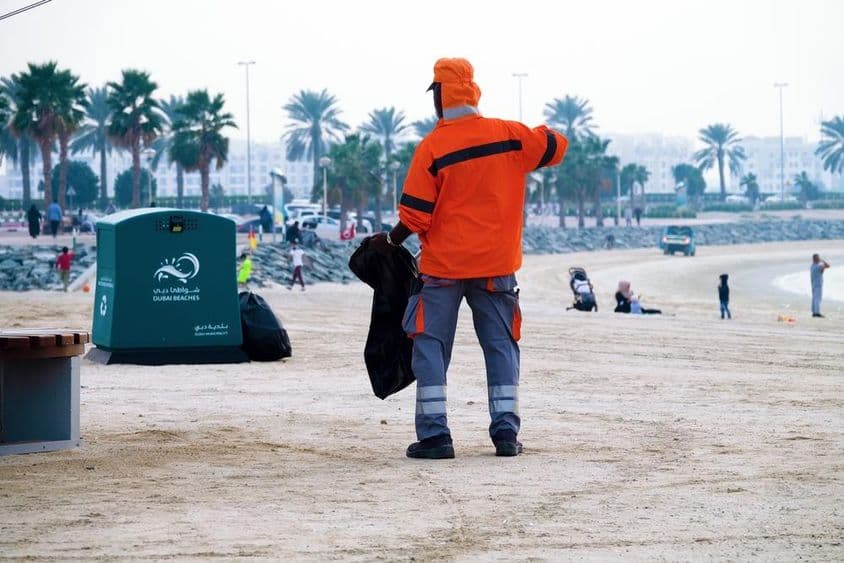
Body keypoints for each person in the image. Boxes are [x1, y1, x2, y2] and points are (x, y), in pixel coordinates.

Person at [368, 57, 568, 459]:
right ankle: (506, 435)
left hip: (443, 268)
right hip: (496, 267)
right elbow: (556, 145)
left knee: (430, 346)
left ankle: (435, 437)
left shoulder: (433, 148)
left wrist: (390, 241)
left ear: (440, 96)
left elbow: (415, 215)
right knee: (501, 346)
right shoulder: (509, 136)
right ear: (472, 92)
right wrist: (534, 135)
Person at [810, 254, 831, 318]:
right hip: (818, 284)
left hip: (813, 284)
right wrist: (823, 260)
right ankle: (817, 313)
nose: (819, 259)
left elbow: (821, 272)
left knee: (814, 298)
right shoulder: (818, 266)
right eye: (818, 258)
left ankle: (814, 312)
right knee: (817, 299)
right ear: (816, 259)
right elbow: (828, 266)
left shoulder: (812, 266)